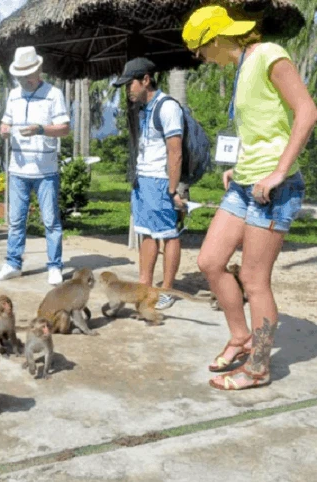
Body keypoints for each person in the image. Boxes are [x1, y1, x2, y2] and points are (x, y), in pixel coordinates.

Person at [183, 5, 317, 390]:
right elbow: (261, 127)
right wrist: (239, 165)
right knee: (210, 261)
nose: (200, 58)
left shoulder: (269, 55)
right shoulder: (243, 67)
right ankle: (241, 336)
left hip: (274, 187)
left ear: (216, 39)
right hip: (244, 183)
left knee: (255, 280)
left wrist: (278, 171)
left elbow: (306, 112)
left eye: (200, 49)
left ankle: (258, 367)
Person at [0, 46, 70, 286]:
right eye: (20, 75)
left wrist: (40, 128)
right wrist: (4, 130)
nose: (23, 79)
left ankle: (55, 266)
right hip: (18, 169)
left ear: (37, 71)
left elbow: (65, 128)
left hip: (46, 170)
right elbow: (5, 122)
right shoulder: (14, 94)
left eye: (27, 73)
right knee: (16, 220)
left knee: (51, 221)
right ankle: (13, 263)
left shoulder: (54, 94)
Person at [113, 57, 185, 310]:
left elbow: (175, 152)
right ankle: (145, 285)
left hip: (160, 180)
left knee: (168, 234)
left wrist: (173, 189)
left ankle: (167, 289)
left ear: (145, 80)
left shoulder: (167, 108)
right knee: (146, 231)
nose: (127, 90)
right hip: (142, 180)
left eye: (130, 84)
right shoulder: (143, 109)